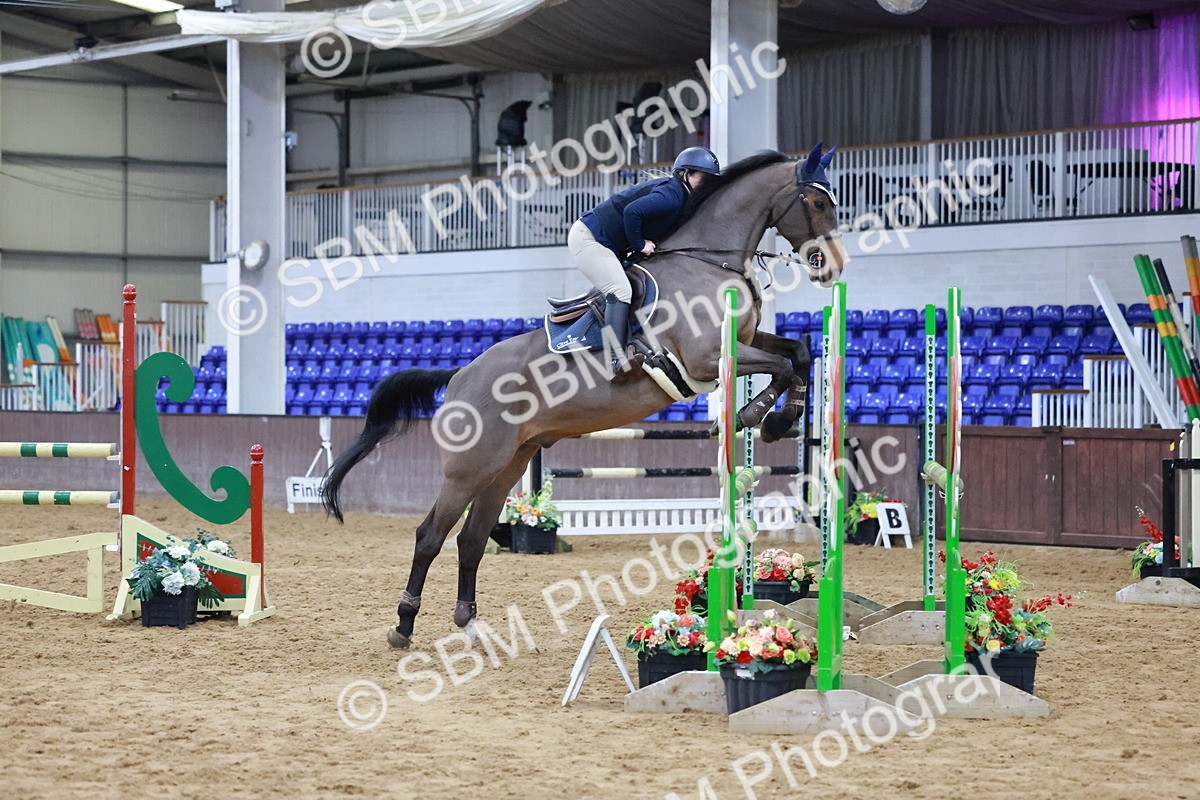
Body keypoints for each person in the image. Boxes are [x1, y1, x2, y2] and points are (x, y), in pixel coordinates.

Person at [568, 146, 721, 376]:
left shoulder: (680, 197)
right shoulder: (672, 196)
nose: (707, 184)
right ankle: (616, 360)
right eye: (703, 177)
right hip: (589, 239)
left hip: (606, 241)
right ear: (685, 174)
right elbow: (632, 212)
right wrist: (640, 244)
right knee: (620, 291)